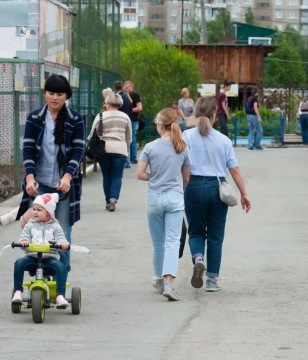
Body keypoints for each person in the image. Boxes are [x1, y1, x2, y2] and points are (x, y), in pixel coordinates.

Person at [182, 96, 251, 292]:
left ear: (195, 114)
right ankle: (212, 280)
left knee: (195, 231)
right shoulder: (224, 140)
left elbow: (179, 163)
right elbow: (234, 169)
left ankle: (198, 258)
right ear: (214, 116)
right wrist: (244, 194)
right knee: (215, 236)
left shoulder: (185, 136)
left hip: (193, 186)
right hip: (217, 188)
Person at [17, 74, 84, 271]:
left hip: (62, 187)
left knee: (62, 232)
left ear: (66, 96)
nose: (55, 97)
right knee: (34, 229)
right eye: (51, 93)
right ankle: (36, 270)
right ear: (45, 94)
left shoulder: (75, 119)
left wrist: (68, 176)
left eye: (60, 94)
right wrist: (30, 178)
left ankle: (61, 277)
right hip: (39, 184)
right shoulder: (35, 118)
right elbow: (28, 149)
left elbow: (79, 150)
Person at [136, 108, 191, 302]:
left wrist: (155, 177)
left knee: (158, 243)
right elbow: (186, 178)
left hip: (154, 198)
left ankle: (159, 280)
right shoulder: (182, 147)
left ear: (160, 126)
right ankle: (169, 283)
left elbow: (140, 174)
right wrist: (176, 187)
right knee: (172, 241)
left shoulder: (150, 147)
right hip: (174, 197)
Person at [11, 193, 70, 308]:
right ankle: (17, 292)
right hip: (32, 257)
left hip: (49, 259)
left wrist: (63, 244)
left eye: (39, 210)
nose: (35, 212)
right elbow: (24, 238)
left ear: (48, 212)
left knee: (61, 267)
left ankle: (60, 295)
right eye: (34, 209)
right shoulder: (30, 225)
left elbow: (61, 238)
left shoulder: (55, 226)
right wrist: (24, 242)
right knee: (19, 263)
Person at [88, 93, 132, 212]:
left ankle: (108, 201)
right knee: (117, 176)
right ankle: (113, 199)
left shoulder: (101, 116)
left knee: (106, 175)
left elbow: (92, 134)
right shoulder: (125, 117)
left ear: (107, 103)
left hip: (104, 149)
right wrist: (126, 148)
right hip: (120, 150)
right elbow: (129, 137)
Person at [114, 80, 133, 168]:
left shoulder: (117, 97)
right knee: (127, 140)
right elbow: (130, 109)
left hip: (119, 121)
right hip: (127, 119)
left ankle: (125, 161)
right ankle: (128, 161)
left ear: (114, 88)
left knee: (121, 141)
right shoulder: (126, 96)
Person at [124, 81, 142, 165]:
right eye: (125, 87)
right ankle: (130, 157)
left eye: (127, 87)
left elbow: (139, 107)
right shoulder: (125, 96)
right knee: (129, 138)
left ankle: (134, 157)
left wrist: (131, 110)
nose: (126, 89)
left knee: (133, 138)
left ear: (131, 87)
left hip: (134, 119)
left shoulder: (135, 95)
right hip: (129, 119)